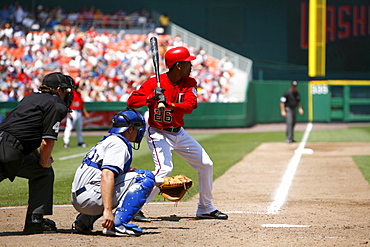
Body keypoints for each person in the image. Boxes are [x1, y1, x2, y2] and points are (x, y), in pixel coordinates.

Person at [127, 46, 228, 221]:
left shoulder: (190, 83)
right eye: (188, 63)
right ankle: (134, 208)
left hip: (178, 133)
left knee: (206, 164)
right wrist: (151, 98)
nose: (192, 66)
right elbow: (132, 101)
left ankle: (205, 207)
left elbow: (190, 106)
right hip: (157, 132)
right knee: (165, 168)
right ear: (178, 65)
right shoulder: (153, 83)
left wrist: (170, 104)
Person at [0, 72, 75, 234]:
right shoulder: (56, 105)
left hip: (6, 144)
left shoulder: (31, 97)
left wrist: (38, 156)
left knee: (42, 172)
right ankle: (34, 221)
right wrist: (43, 160)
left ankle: (36, 220)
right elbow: (47, 141)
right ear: (58, 89)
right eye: (66, 90)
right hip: (8, 151)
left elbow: (22, 132)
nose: (68, 94)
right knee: (43, 171)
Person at [71, 109, 158, 237]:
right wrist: (107, 210)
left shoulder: (109, 140)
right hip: (90, 198)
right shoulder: (119, 144)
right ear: (129, 129)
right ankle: (117, 225)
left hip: (81, 196)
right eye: (137, 127)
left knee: (132, 174)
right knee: (145, 177)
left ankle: (84, 221)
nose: (139, 131)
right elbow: (106, 175)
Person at [63, 79, 90, 148]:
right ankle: (66, 142)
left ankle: (80, 142)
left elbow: (82, 104)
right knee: (69, 127)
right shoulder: (70, 93)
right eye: (77, 85)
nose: (78, 86)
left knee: (79, 128)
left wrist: (85, 112)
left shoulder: (79, 93)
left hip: (78, 111)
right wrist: (69, 113)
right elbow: (67, 103)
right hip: (73, 111)